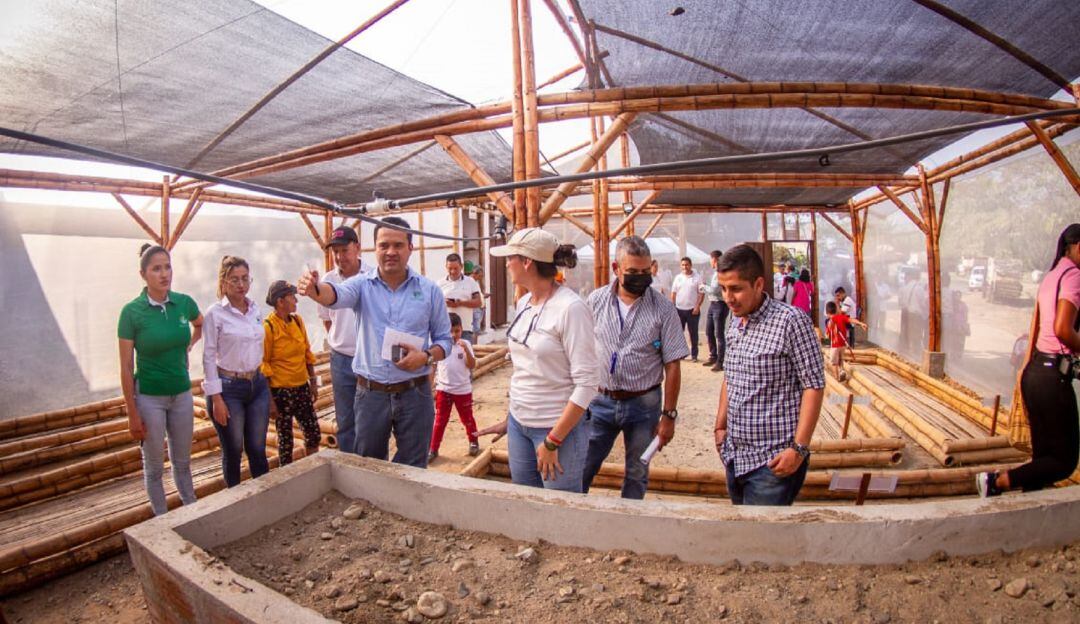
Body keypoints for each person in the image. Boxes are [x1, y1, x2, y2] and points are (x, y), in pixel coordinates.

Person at [298, 216, 452, 468]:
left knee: (414, 464)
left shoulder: (429, 290)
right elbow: (335, 295)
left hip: (415, 392)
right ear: (375, 248)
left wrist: (425, 357)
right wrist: (315, 289)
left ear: (410, 248)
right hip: (371, 395)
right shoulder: (361, 285)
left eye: (398, 245)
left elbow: (445, 340)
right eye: (384, 245)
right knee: (370, 466)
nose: (390, 252)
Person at [476, 228, 598, 492]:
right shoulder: (524, 304)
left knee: (559, 512)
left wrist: (553, 441)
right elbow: (527, 368)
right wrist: (513, 417)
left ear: (527, 261)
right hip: (520, 425)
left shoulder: (571, 308)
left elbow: (587, 383)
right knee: (527, 503)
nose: (507, 263)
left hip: (556, 429)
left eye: (511, 257)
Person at [713, 245, 825, 505]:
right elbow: (731, 376)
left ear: (759, 284)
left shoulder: (791, 321)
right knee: (746, 531)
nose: (728, 297)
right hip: (735, 455)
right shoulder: (736, 322)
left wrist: (798, 449)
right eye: (724, 288)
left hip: (773, 462)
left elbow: (814, 385)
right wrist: (720, 426)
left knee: (761, 541)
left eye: (736, 288)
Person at [978, 224, 1080, 497]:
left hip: (1035, 371)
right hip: (1053, 374)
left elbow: (1038, 327)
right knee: (1063, 461)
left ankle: (1028, 502)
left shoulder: (1051, 276)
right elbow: (1062, 329)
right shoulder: (1074, 276)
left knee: (1044, 456)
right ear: (1077, 245)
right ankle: (996, 481)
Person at [583, 236, 688, 499]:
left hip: (644, 404)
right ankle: (571, 517)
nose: (640, 277)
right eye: (632, 272)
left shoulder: (663, 309)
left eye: (644, 271)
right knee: (583, 464)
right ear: (616, 268)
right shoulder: (595, 301)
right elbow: (580, 350)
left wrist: (669, 416)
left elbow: (672, 365)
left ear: (651, 267)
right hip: (599, 401)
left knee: (637, 471)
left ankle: (629, 529)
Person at [117, 244, 203, 516]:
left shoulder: (184, 303)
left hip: (181, 394)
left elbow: (200, 323)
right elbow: (126, 366)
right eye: (156, 269)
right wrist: (132, 413)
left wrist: (187, 347)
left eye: (167, 267)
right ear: (143, 274)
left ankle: (191, 514)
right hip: (149, 398)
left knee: (183, 462)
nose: (164, 274)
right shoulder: (131, 312)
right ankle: (162, 521)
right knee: (154, 466)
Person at [202, 255, 270, 487]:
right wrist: (216, 397)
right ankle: (234, 502)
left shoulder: (255, 309)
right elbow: (209, 356)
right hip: (229, 387)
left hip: (257, 384)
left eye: (244, 279)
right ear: (223, 283)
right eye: (234, 280)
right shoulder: (215, 314)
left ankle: (264, 499)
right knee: (233, 450)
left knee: (258, 448)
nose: (241, 285)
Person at [317, 226, 371, 455]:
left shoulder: (372, 275)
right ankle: (350, 466)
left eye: (344, 250)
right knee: (345, 419)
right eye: (335, 252)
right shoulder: (328, 280)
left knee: (371, 417)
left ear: (357, 248)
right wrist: (341, 339)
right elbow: (327, 320)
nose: (339, 257)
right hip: (341, 360)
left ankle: (371, 464)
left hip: (369, 357)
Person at [263, 280, 321, 465]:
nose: (296, 300)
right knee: (285, 441)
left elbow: (307, 353)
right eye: (292, 297)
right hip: (281, 392)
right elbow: (263, 365)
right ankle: (287, 478)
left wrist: (312, 382)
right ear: (280, 301)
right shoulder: (268, 327)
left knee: (313, 433)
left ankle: (312, 469)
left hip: (301, 387)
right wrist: (271, 402)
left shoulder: (297, 320)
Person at [427, 313, 478, 462]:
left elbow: (472, 365)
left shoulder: (466, 345)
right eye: (450, 331)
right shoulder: (439, 346)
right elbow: (433, 366)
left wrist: (466, 351)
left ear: (462, 330)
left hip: (463, 390)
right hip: (444, 389)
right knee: (440, 420)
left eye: (457, 331)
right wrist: (430, 387)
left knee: (467, 418)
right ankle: (433, 448)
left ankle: (473, 441)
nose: (454, 334)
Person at [439, 253, 482, 344]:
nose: (453, 271)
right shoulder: (439, 284)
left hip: (465, 329)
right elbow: (434, 305)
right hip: (446, 330)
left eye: (456, 268)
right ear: (446, 267)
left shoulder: (470, 282)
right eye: (450, 268)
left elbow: (478, 302)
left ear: (461, 266)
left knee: (466, 356)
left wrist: (460, 303)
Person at [670, 257, 704, 361]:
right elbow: (673, 293)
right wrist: (673, 307)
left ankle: (694, 355)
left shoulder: (698, 277)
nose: (685, 267)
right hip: (679, 310)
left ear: (691, 265)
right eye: (683, 265)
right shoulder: (678, 278)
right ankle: (680, 354)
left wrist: (697, 306)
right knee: (679, 333)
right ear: (681, 266)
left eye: (687, 264)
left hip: (692, 310)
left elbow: (701, 293)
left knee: (693, 333)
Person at [824, 300, 867, 381]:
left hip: (835, 345)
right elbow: (851, 320)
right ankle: (842, 371)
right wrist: (861, 324)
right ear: (836, 310)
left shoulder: (830, 322)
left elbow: (827, 335)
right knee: (841, 360)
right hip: (843, 344)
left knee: (834, 363)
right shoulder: (841, 317)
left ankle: (837, 378)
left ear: (827, 313)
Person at [702, 249, 730, 372]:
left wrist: (703, 287)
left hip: (720, 304)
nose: (710, 262)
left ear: (715, 259)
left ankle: (721, 361)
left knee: (719, 334)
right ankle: (713, 356)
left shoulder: (721, 272)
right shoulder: (715, 272)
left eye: (711, 259)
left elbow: (714, 290)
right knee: (709, 331)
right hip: (713, 304)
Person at [469, 264, 486, 336]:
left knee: (476, 329)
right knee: (475, 329)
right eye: (479, 276)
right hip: (474, 308)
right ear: (474, 274)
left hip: (479, 307)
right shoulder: (469, 281)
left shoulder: (476, 282)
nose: (480, 278)